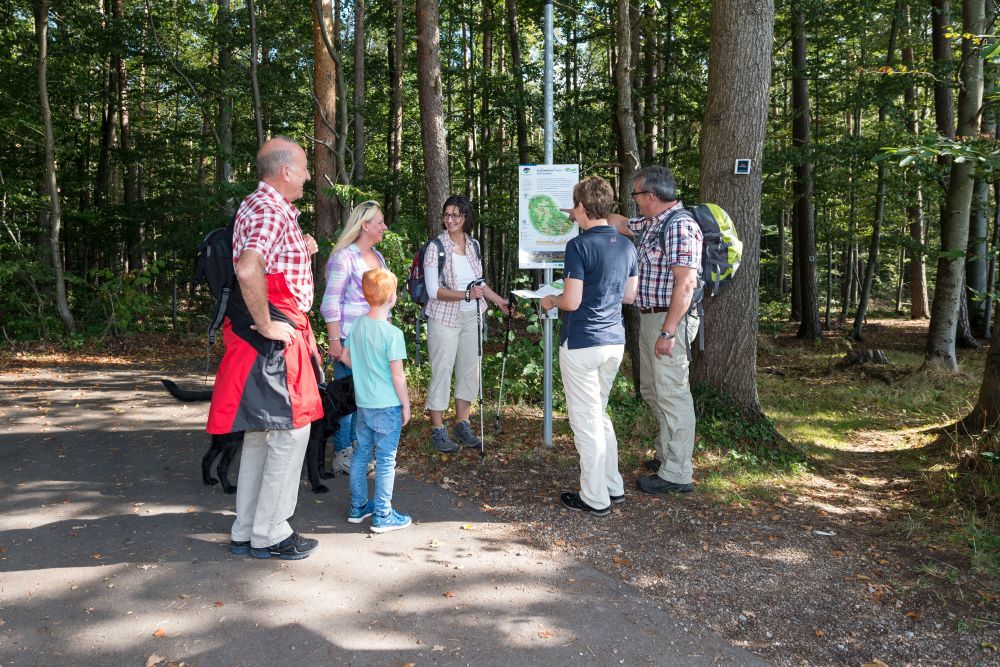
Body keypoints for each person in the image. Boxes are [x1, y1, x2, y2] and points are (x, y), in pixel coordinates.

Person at [207, 136, 323, 560]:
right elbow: (248, 267)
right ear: (285, 171)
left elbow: (269, 260)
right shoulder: (269, 210)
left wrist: (302, 248)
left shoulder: (262, 208)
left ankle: (247, 528)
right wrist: (265, 323)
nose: (309, 175)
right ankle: (271, 531)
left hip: (260, 341)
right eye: (305, 167)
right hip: (272, 341)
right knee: (290, 433)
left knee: (260, 434)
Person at [540, 176, 638, 516]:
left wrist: (551, 300)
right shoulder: (626, 245)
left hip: (582, 342)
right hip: (614, 341)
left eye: (574, 206)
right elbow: (629, 296)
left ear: (581, 207)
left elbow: (572, 300)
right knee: (599, 413)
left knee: (586, 422)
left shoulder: (578, 247)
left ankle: (594, 497)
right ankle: (613, 484)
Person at [609, 165, 703, 495]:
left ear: (650, 196)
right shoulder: (652, 224)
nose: (633, 200)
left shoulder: (679, 226)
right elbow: (619, 223)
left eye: (636, 194)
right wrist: (580, 209)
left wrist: (669, 331)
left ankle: (677, 473)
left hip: (668, 321)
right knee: (653, 390)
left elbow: (687, 282)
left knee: (673, 394)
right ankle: (667, 455)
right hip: (651, 318)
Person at [423, 195, 512, 453]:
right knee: (442, 370)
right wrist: (464, 295)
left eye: (456, 215)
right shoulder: (435, 248)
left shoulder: (473, 245)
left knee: (469, 370)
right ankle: (438, 430)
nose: (450, 220)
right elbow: (432, 290)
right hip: (443, 317)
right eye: (447, 215)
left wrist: (500, 301)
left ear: (465, 218)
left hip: (471, 316)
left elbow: (479, 285)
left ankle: (463, 423)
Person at [340, 268, 413, 533]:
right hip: (387, 406)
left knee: (361, 454)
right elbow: (398, 377)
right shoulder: (393, 334)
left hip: (364, 404)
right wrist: (406, 405)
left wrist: (363, 370)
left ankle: (358, 507)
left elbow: (346, 357)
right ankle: (383, 514)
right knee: (385, 460)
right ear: (392, 296)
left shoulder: (358, 324)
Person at [319, 201, 388, 475]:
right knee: (346, 401)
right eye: (380, 222)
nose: (384, 226)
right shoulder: (344, 257)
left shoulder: (378, 257)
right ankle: (343, 454)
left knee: (367, 399)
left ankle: (361, 452)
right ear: (365, 225)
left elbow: (384, 301)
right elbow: (330, 302)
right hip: (350, 340)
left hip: (374, 342)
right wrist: (335, 341)